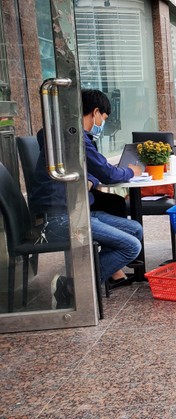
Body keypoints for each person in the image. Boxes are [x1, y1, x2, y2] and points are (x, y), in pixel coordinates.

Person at [29, 89, 144, 307]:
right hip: (60, 219)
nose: (102, 123)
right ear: (96, 112)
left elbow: (87, 169)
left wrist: (90, 178)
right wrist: (132, 172)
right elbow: (108, 174)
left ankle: (88, 279)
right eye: (103, 118)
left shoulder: (60, 133)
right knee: (131, 246)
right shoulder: (74, 136)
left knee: (135, 229)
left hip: (73, 210)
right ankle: (74, 286)